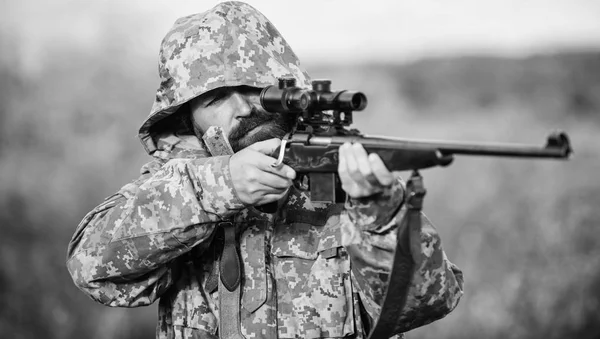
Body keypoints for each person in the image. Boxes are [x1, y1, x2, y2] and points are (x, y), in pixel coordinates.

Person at [66, 2, 463, 338]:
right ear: (187, 117)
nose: (244, 107)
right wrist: (221, 188)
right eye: (217, 98)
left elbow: (426, 301)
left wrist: (381, 214)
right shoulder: (179, 184)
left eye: (255, 88)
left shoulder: (347, 176)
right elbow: (91, 267)